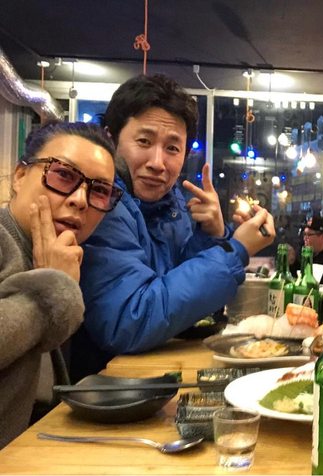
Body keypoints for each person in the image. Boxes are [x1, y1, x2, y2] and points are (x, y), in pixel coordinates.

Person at [71, 74, 275, 380]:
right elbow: (127, 320)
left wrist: (212, 236)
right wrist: (234, 250)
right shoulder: (101, 204)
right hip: (100, 386)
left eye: (172, 148)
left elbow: (172, 291)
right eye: (144, 141)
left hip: (149, 375)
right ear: (110, 140)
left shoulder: (172, 204)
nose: (158, 162)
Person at [0, 121, 121, 448]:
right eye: (63, 175)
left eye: (99, 190)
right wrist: (52, 290)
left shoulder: (68, 257)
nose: (80, 200)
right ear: (20, 175)